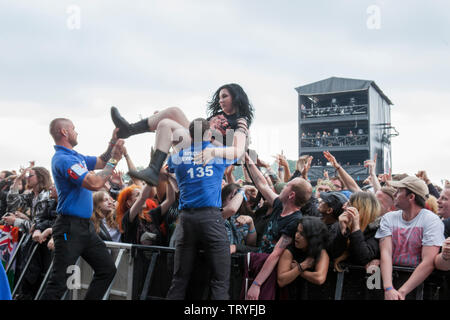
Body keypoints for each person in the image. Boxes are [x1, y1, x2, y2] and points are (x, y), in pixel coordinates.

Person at [40, 118, 125, 300]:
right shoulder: (63, 159)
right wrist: (115, 160)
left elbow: (102, 161)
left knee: (107, 269)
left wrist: (113, 142)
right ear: (64, 132)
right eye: (73, 128)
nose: (76, 132)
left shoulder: (76, 157)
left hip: (85, 227)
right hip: (69, 228)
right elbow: (94, 183)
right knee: (59, 282)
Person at [110, 83, 253, 186]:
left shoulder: (240, 121)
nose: (220, 100)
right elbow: (197, 129)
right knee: (167, 120)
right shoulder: (217, 115)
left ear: (235, 98)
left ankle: (130, 131)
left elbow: (238, 152)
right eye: (220, 97)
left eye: (224, 97)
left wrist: (213, 149)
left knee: (170, 117)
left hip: (212, 153)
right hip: (197, 143)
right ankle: (152, 167)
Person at [165, 118, 238, 300]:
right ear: (208, 134)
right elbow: (239, 153)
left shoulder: (177, 157)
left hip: (186, 220)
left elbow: (168, 169)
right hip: (210, 218)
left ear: (190, 135)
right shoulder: (218, 153)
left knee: (179, 279)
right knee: (220, 280)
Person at [243, 152, 312, 300]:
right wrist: (248, 160)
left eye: (286, 186)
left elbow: (275, 255)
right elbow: (262, 184)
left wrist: (256, 284)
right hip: (259, 264)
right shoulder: (280, 204)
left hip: (270, 273)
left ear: (291, 195)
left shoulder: (295, 220)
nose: (280, 188)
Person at [375, 176, 444, 300]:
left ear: (411, 197)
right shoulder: (389, 218)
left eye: (399, 191)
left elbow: (428, 262)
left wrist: (402, 292)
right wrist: (388, 288)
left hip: (417, 284)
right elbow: (386, 252)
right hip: (387, 278)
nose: (394, 194)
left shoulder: (431, 221)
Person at [277, 217, 330, 290]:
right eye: (297, 231)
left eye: (301, 234)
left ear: (312, 238)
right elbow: (281, 281)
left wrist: (298, 269)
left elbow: (319, 278)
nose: (297, 236)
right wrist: (303, 266)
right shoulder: (289, 251)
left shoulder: (321, 252)